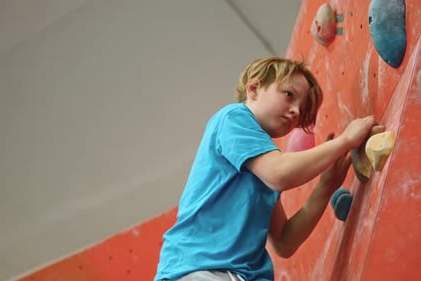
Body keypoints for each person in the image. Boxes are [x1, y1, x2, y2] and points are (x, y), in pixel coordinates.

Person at [154, 57, 376, 281]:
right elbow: (278, 173)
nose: (296, 111)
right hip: (201, 269)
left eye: (302, 108)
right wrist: (345, 141)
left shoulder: (260, 164)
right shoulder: (234, 118)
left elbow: (284, 241)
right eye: (289, 95)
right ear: (254, 88)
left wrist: (325, 187)